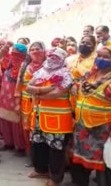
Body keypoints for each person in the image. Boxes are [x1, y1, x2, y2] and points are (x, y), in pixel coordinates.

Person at [71, 46, 111, 186]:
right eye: (99, 56)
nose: (101, 59)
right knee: (79, 157)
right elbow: (77, 86)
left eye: (106, 57)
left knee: (104, 161)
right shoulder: (90, 74)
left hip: (104, 126)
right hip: (82, 125)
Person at [26, 47, 73, 186]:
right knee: (38, 143)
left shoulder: (66, 74)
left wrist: (37, 93)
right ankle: (41, 170)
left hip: (58, 117)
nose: (52, 59)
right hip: (40, 114)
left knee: (56, 148)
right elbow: (28, 87)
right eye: (51, 56)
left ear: (63, 59)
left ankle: (55, 178)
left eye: (56, 57)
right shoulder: (41, 71)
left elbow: (56, 94)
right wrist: (43, 90)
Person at [0, 42, 27, 156]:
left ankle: (20, 147)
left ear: (23, 55)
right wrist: (5, 47)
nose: (14, 56)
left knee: (16, 124)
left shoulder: (25, 67)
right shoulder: (8, 63)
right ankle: (8, 143)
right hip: (4, 98)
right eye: (12, 53)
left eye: (17, 54)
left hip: (17, 100)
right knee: (4, 121)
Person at [15, 41, 46, 159]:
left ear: (44, 51)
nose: (34, 51)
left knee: (40, 129)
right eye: (32, 50)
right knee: (26, 129)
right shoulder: (25, 65)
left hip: (43, 102)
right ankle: (31, 155)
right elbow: (19, 84)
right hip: (26, 102)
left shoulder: (48, 65)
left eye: (37, 49)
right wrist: (17, 103)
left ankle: (42, 158)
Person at [66, 35, 97, 109]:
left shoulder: (96, 60)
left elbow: (93, 76)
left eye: (88, 43)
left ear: (93, 47)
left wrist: (77, 84)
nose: (84, 44)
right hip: (69, 92)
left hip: (86, 93)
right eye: (82, 42)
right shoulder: (71, 59)